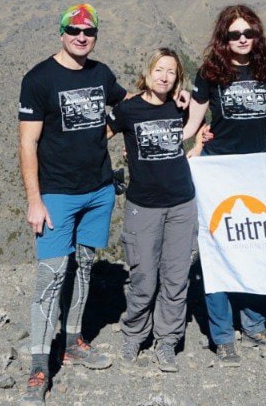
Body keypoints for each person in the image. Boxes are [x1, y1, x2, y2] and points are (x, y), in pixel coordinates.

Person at [17, 4, 125, 403]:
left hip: (99, 191)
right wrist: (34, 200)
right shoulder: (38, 79)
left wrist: (170, 96)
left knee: (84, 267)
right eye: (74, 30)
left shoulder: (101, 74)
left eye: (89, 31)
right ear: (61, 32)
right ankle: (39, 365)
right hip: (57, 195)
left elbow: (127, 103)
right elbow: (27, 142)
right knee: (51, 277)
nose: (81, 37)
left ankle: (73, 341)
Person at [184, 4, 266, 366]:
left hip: (256, 171)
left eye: (249, 33)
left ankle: (254, 323)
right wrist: (155, 138)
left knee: (254, 248)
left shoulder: (265, 72)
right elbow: (191, 122)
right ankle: (223, 335)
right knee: (217, 252)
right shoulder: (210, 73)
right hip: (218, 171)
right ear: (223, 38)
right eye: (234, 34)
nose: (242, 39)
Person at [106, 48, 203, 373]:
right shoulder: (127, 109)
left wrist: (198, 143)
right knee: (143, 277)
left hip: (181, 203)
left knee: (176, 278)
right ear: (147, 72)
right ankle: (134, 334)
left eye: (171, 72)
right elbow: (98, 137)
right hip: (143, 206)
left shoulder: (179, 105)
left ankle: (167, 341)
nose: (164, 76)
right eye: (159, 69)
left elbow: (198, 126)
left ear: (178, 78)